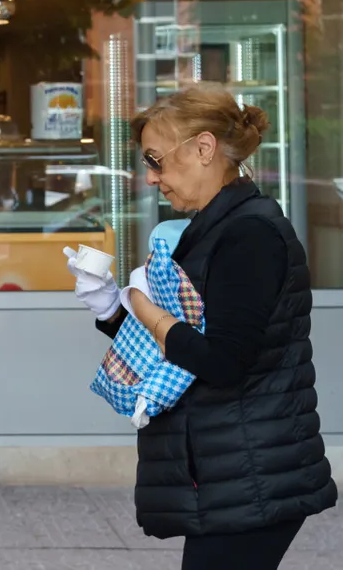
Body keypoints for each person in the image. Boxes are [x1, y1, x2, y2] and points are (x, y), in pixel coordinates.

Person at [68, 84, 336, 570]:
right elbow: (181, 347)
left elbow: (221, 361)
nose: (151, 177)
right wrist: (110, 309)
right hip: (233, 471)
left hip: (252, 473)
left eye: (155, 160)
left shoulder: (249, 233)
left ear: (204, 148)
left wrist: (142, 306)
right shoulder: (213, 229)